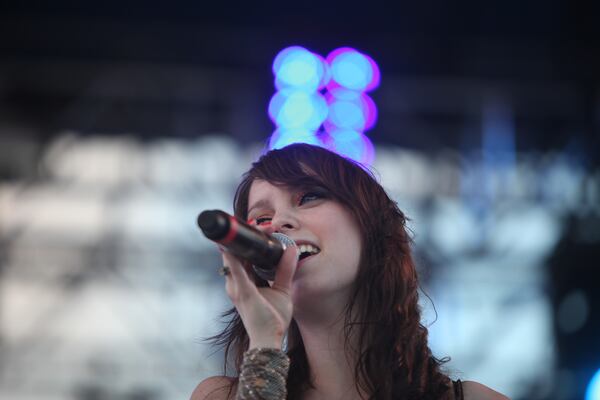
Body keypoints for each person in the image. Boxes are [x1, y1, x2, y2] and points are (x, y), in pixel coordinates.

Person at [191, 143, 509, 400]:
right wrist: (264, 346)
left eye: (308, 197)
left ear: (369, 225)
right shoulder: (220, 396)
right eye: (261, 218)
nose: (277, 223)